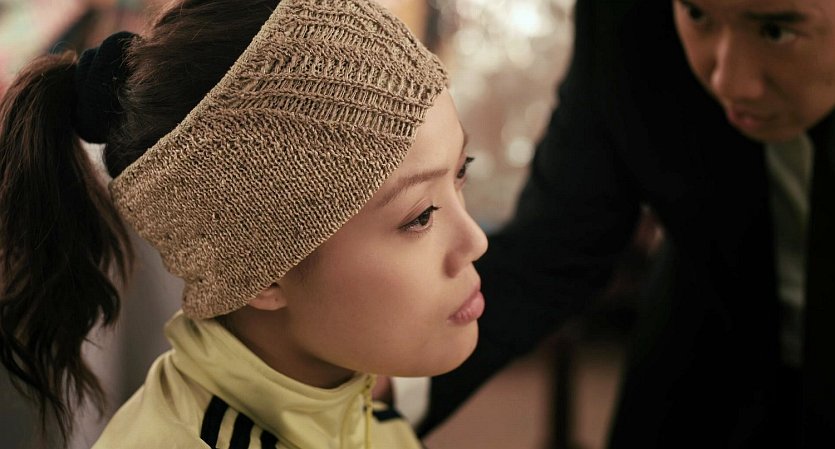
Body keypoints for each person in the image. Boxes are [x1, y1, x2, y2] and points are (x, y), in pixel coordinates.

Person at [0, 0, 488, 448]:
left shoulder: (367, 417)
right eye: (421, 216)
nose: (476, 241)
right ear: (265, 272)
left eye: (460, 172)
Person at [417, 0, 835, 447]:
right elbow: (553, 246)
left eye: (775, 31)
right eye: (697, 16)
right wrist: (386, 383)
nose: (729, 82)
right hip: (707, 370)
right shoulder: (624, 16)